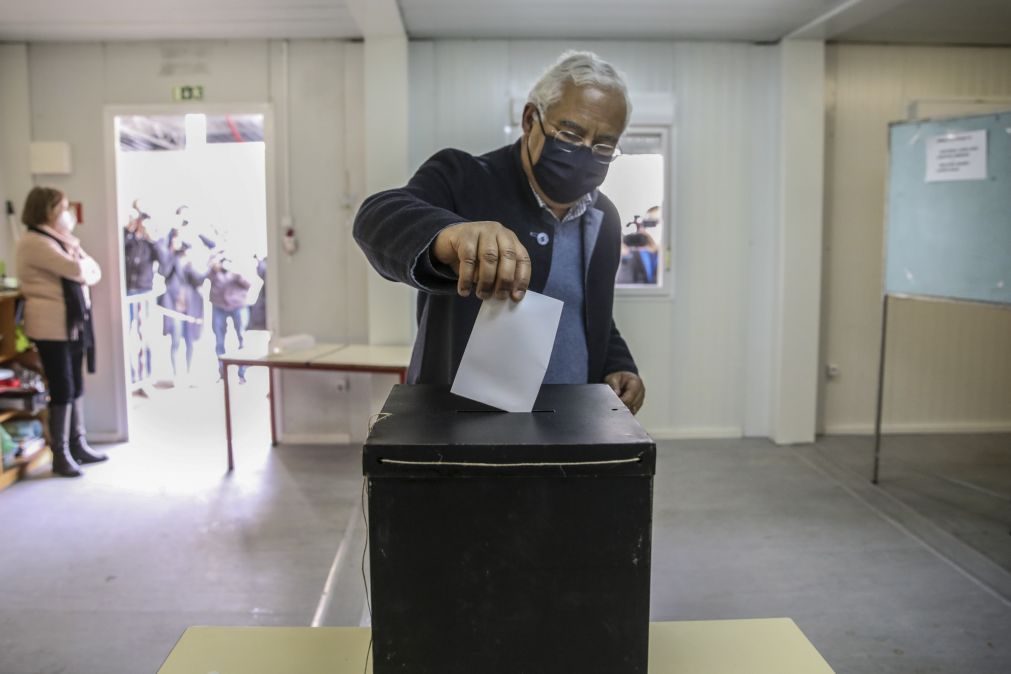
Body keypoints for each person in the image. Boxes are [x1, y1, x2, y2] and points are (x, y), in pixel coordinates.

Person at [354, 50, 645, 414]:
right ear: (529, 120)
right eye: (570, 134)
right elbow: (376, 218)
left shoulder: (605, 217)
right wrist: (451, 235)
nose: (585, 153)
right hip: (463, 425)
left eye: (603, 145)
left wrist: (618, 363)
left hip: (574, 421)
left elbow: (588, 308)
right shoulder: (464, 178)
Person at [15, 187, 106, 477]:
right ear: (48, 210)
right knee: (62, 386)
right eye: (62, 207)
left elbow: (94, 270)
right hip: (50, 326)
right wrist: (83, 266)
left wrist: (83, 266)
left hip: (71, 324)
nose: (67, 214)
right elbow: (77, 270)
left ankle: (78, 444)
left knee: (75, 383)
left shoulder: (61, 240)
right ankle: (61, 453)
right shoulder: (34, 242)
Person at [157, 228, 206, 385]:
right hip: (174, 306)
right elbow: (163, 271)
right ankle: (176, 375)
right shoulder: (172, 259)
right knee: (176, 341)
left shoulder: (191, 262)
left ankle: (189, 373)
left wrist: (193, 264)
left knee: (190, 341)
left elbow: (199, 280)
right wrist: (171, 254)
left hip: (190, 307)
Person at [207, 252, 252, 383]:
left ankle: (242, 374)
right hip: (219, 306)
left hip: (238, 305)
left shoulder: (240, 262)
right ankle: (222, 374)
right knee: (219, 341)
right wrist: (213, 266)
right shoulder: (215, 262)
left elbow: (249, 284)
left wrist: (236, 273)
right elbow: (204, 277)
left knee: (242, 339)